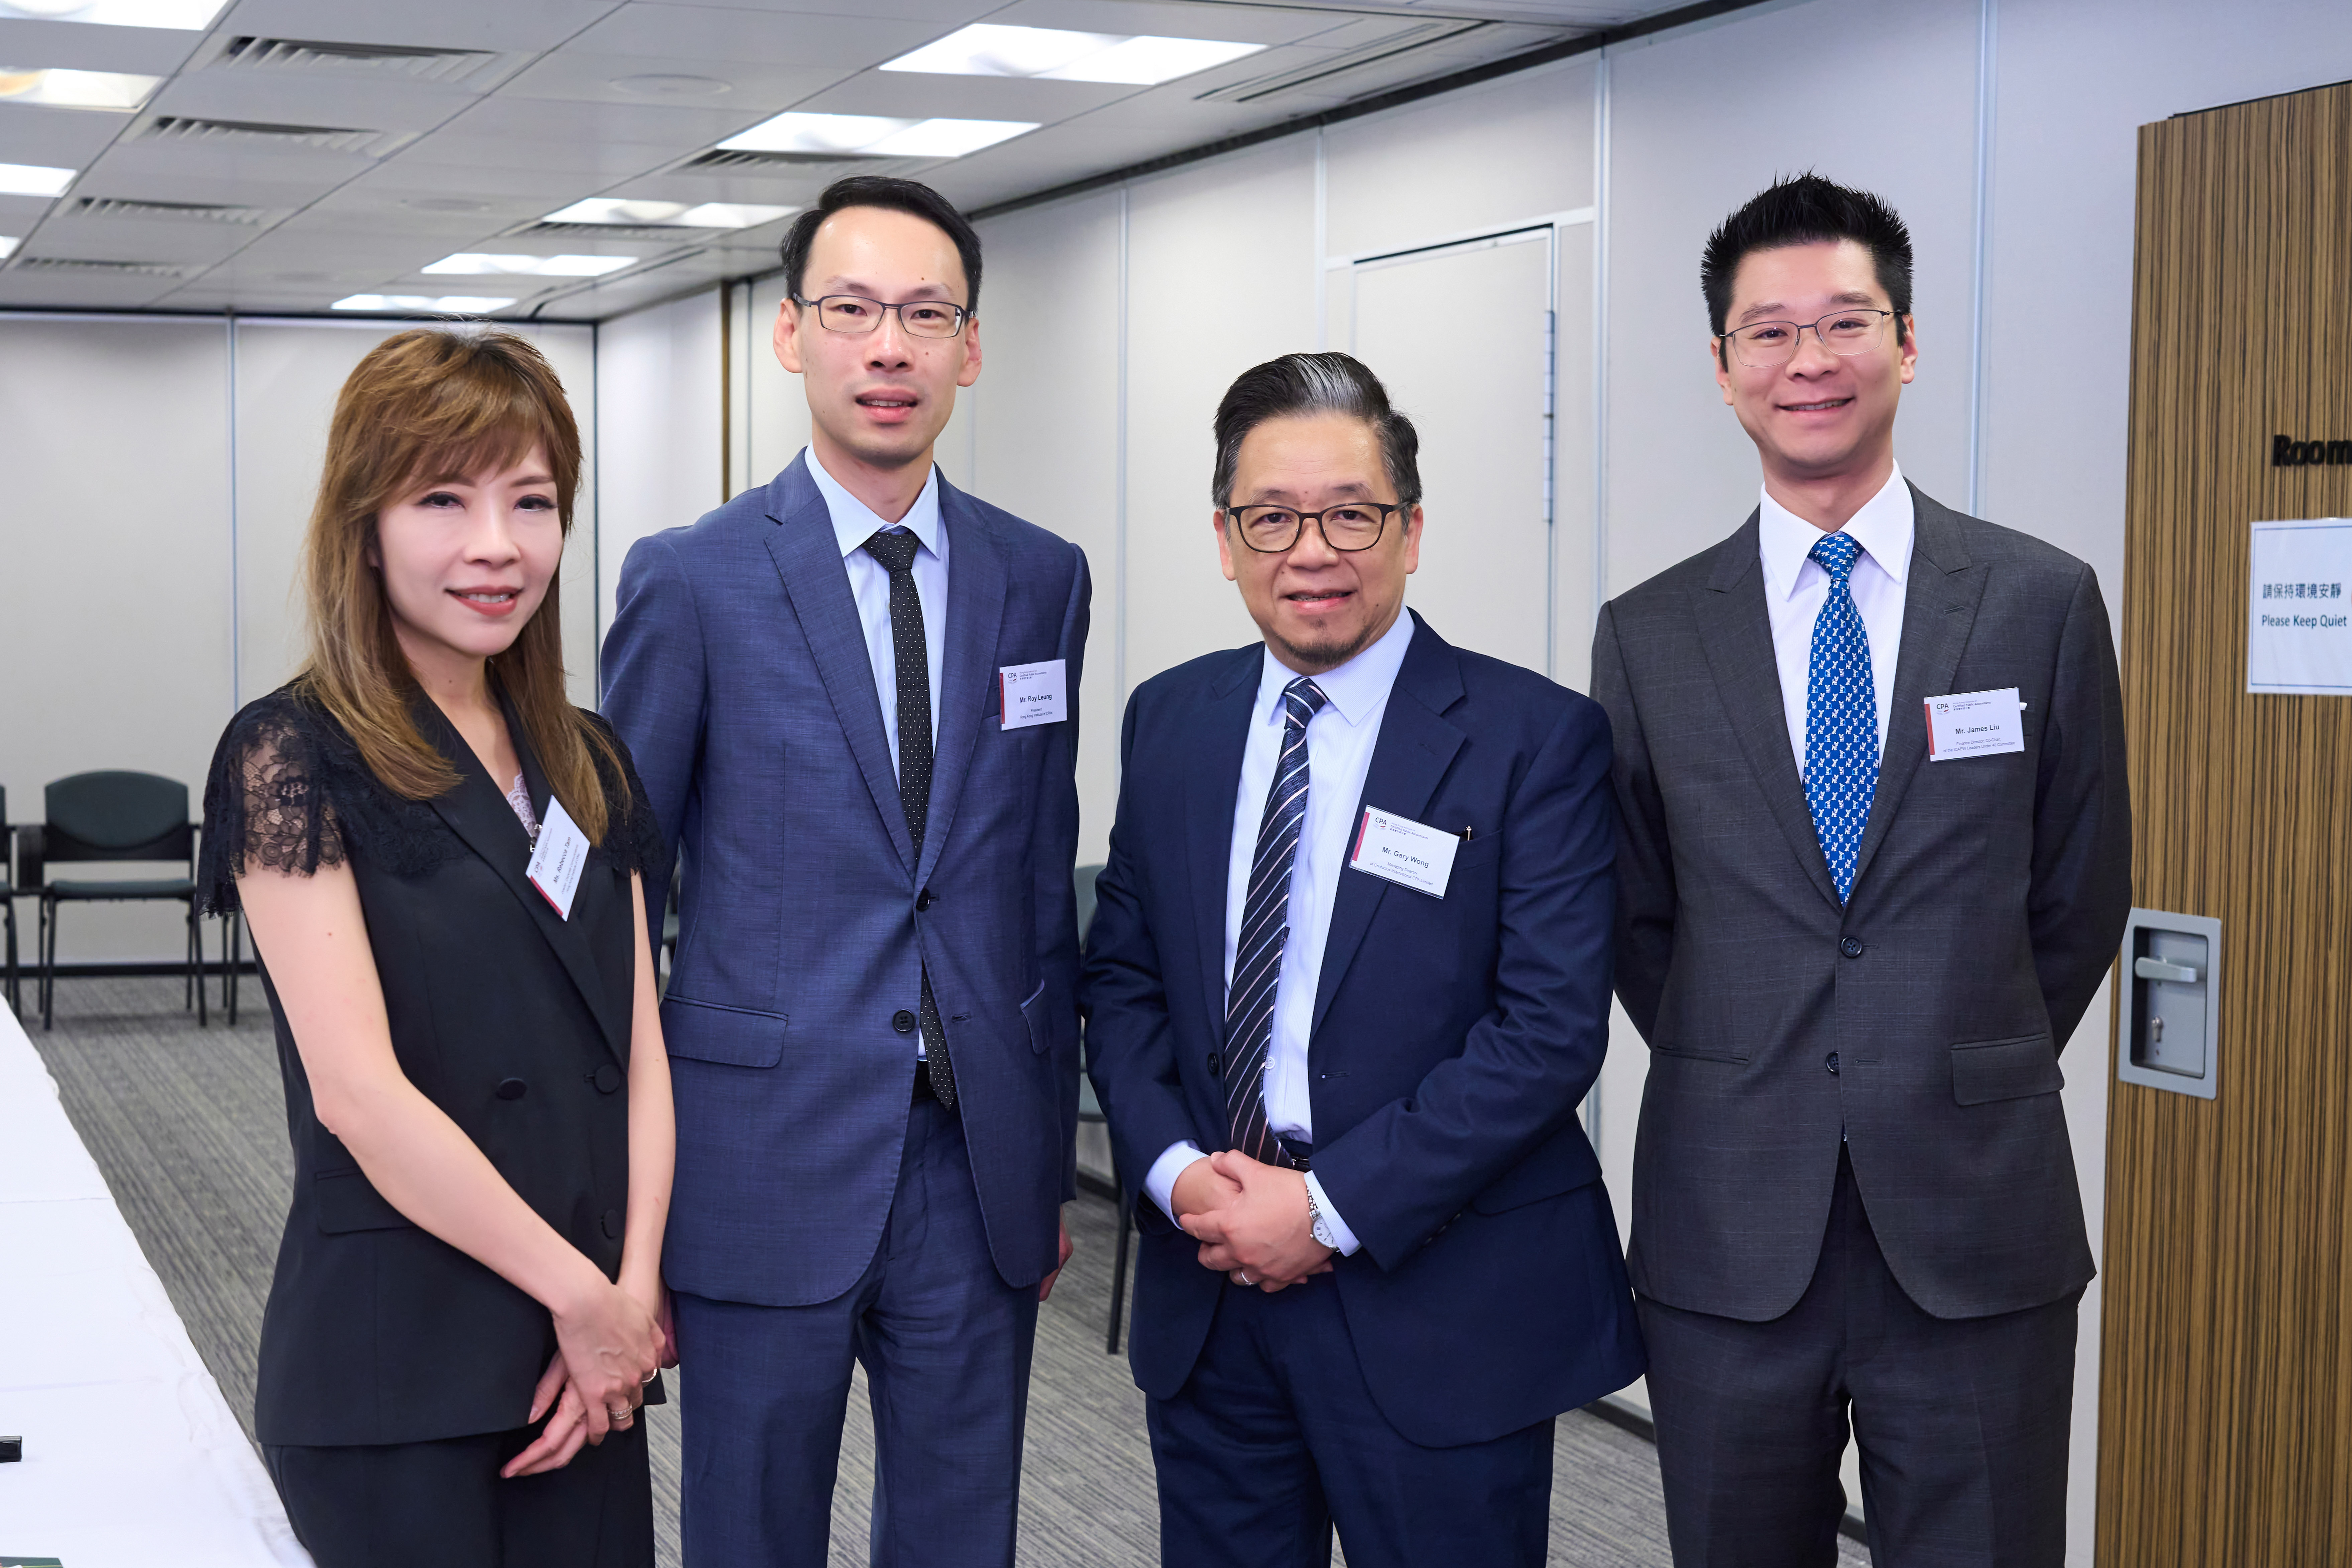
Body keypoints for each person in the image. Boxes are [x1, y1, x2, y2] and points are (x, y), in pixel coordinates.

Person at [1590, 175, 2131, 1566]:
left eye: (1844, 322)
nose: (1808, 361)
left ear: (1906, 341)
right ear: (1722, 369)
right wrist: (1757, 1049)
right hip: (1729, 1219)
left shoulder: (2037, 601)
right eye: (1768, 333)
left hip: (1974, 1215)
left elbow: (2077, 893)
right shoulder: (1649, 634)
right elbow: (1639, 918)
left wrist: (1954, 1050)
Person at [1082, 351, 1643, 1567]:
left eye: (1350, 514)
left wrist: (1326, 1209)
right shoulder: (1170, 720)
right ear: (1224, 539)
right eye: (1271, 517)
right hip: (1214, 1284)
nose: (1312, 551)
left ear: (1411, 530)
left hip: (1440, 1293)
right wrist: (1177, 1174)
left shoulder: (1533, 738)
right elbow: (1123, 979)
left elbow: (1548, 1030)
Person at [600, 175, 1089, 1567]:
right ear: (791, 334)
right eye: (853, 310)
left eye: (926, 316)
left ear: (969, 349)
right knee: (752, 1534)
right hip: (760, 1156)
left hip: (973, 1163)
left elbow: (1034, 877)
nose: (889, 347)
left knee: (960, 1535)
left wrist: (1044, 1154)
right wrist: (629, 1205)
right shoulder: (692, 579)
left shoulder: (1041, 577)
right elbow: (617, 897)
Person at [197, 327, 676, 1568]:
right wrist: (583, 1296)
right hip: (400, 1361)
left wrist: (631, 1296)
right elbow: (359, 1095)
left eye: (533, 501)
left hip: (590, 1361)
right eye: (443, 500)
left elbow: (641, 1054)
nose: (497, 544)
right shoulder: (291, 755)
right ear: (365, 528)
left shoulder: (588, 754)